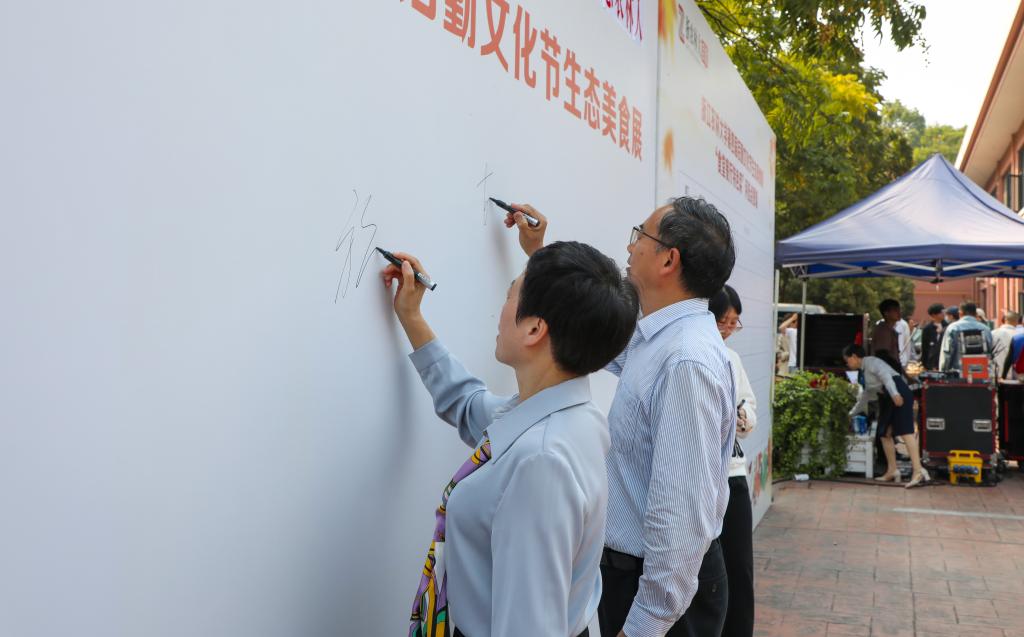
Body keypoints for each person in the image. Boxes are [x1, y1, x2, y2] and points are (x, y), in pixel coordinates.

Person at [502, 196, 737, 637]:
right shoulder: (660, 337)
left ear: (668, 260)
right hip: (639, 581)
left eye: (640, 236)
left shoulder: (685, 360)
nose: (630, 247)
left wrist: (644, 625)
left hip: (660, 600)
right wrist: (541, 255)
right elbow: (599, 332)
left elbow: (681, 516)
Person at [382, 241, 639, 637]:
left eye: (508, 295)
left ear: (534, 329)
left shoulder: (542, 461)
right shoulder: (565, 416)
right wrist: (412, 316)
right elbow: (469, 405)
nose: (500, 310)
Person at [709, 285, 756, 637]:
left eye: (734, 322)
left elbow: (749, 407)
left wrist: (743, 417)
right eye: (723, 321)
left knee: (738, 567)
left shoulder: (732, 359)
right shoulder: (689, 355)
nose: (728, 328)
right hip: (700, 479)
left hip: (732, 474)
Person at [843, 344, 930, 488]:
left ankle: (918, 471)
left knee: (906, 432)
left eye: (847, 360)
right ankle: (892, 470)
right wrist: (851, 414)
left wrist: (895, 394)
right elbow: (866, 396)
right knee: (884, 433)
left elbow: (886, 376)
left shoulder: (872, 362)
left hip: (898, 392)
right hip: (887, 397)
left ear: (854, 356)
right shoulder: (863, 371)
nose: (847, 364)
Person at [939, 301, 993, 373]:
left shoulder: (953, 328)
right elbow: (990, 351)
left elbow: (947, 352)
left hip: (958, 373)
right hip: (980, 372)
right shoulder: (985, 329)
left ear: (960, 313)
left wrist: (943, 370)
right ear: (975, 314)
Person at [871, 299, 904, 373]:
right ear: (886, 313)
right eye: (895, 310)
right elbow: (882, 355)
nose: (899, 312)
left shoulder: (891, 330)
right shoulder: (883, 330)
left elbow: (895, 357)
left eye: (899, 310)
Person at [992, 310, 1021, 379]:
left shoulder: (993, 333)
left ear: (1004, 319)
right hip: (1016, 376)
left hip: (996, 374)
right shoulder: (1020, 336)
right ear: (1017, 321)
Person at [920, 303, 947, 370]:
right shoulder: (927, 329)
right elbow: (925, 347)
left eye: (944, 311)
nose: (943, 314)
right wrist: (924, 364)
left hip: (945, 360)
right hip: (931, 363)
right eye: (941, 312)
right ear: (933, 315)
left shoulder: (948, 326)